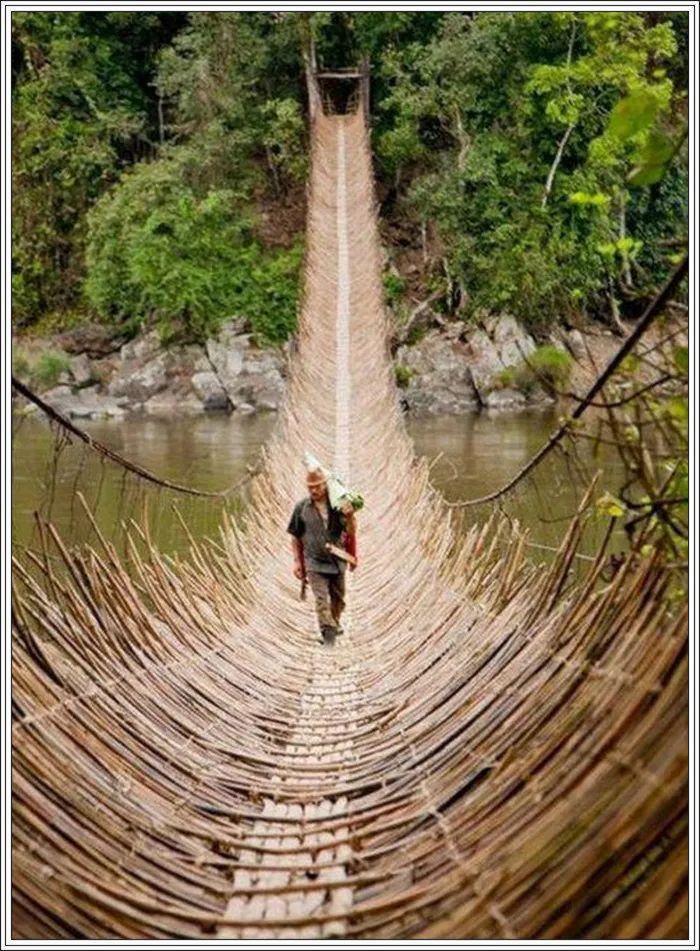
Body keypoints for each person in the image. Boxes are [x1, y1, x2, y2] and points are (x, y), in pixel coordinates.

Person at [287, 468, 357, 644]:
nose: (313, 490)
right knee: (321, 599)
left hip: (337, 559)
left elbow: (351, 532)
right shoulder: (302, 508)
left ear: (325, 485)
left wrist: (350, 517)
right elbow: (295, 536)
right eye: (310, 487)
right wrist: (297, 562)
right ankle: (328, 636)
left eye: (317, 486)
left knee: (338, 599)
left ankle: (333, 623)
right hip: (314, 561)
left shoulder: (338, 506)